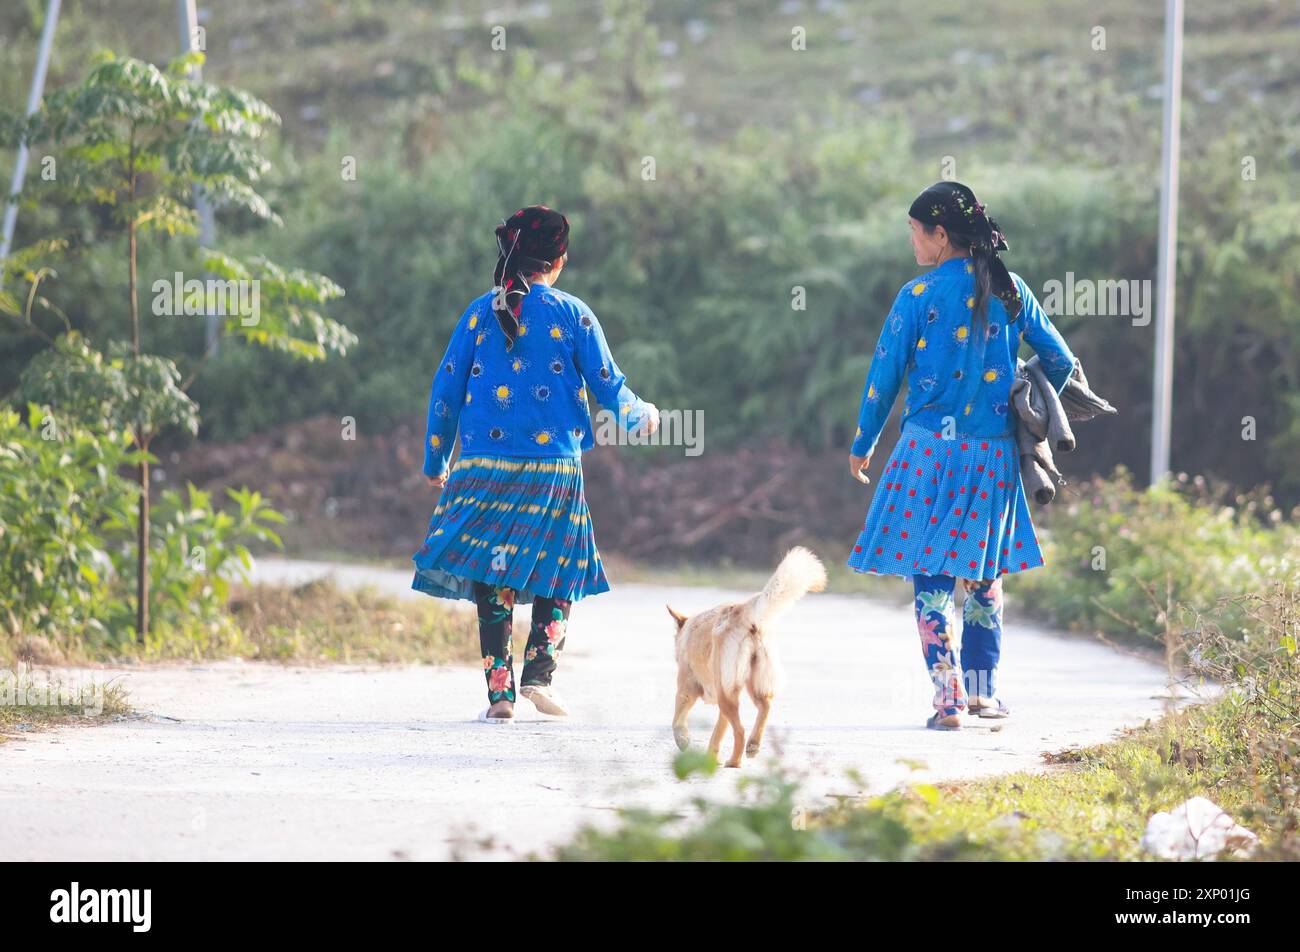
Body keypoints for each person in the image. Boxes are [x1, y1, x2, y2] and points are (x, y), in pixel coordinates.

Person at [411, 205, 659, 723]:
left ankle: (499, 693)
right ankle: (540, 676)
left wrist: (437, 459)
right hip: (553, 469)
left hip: (482, 467)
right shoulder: (574, 314)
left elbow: (445, 391)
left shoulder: (479, 313)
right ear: (559, 260)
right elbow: (610, 387)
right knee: (558, 567)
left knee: (492, 569)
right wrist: (644, 418)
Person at [846, 182, 1076, 730]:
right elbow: (1061, 361)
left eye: (914, 231)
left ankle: (946, 697)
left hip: (926, 454)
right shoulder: (1012, 289)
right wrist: (1025, 404)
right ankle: (983, 694)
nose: (911, 242)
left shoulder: (918, 295)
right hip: (991, 458)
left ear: (940, 235)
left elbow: (884, 377)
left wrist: (863, 444)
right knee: (982, 576)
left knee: (931, 578)